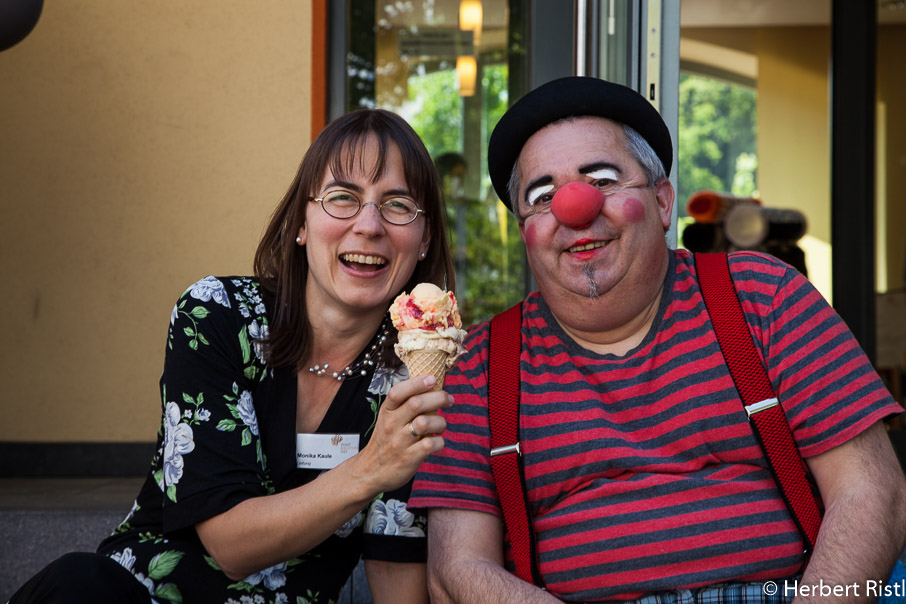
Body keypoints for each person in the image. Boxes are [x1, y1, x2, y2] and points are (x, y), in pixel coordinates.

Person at [409, 76, 906, 603]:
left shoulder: (765, 298)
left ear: (664, 202)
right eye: (543, 196)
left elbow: (875, 493)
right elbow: (455, 569)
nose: (574, 208)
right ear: (526, 231)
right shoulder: (479, 369)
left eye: (600, 180)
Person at [10, 108, 456, 604]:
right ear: (300, 225)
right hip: (137, 598)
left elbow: (395, 573)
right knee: (79, 585)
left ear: (425, 240)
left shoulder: (410, 381)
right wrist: (374, 466)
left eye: (397, 206)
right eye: (342, 198)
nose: (369, 225)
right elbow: (231, 544)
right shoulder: (217, 316)